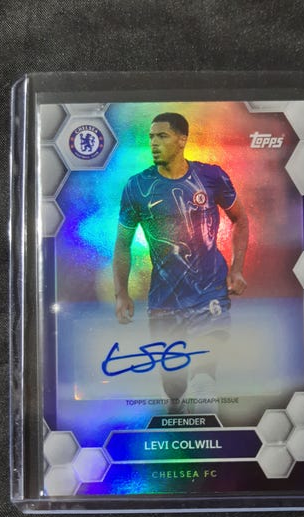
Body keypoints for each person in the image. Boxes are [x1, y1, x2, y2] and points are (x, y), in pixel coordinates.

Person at [113, 112, 249, 413]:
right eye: (151, 137)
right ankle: (176, 407)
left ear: (182, 140)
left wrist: (236, 269)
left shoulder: (211, 177)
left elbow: (240, 219)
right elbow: (122, 243)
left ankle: (204, 390)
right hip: (165, 299)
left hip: (209, 289)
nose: (154, 143)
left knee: (203, 380)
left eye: (162, 136)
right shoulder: (137, 187)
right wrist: (121, 293)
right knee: (174, 388)